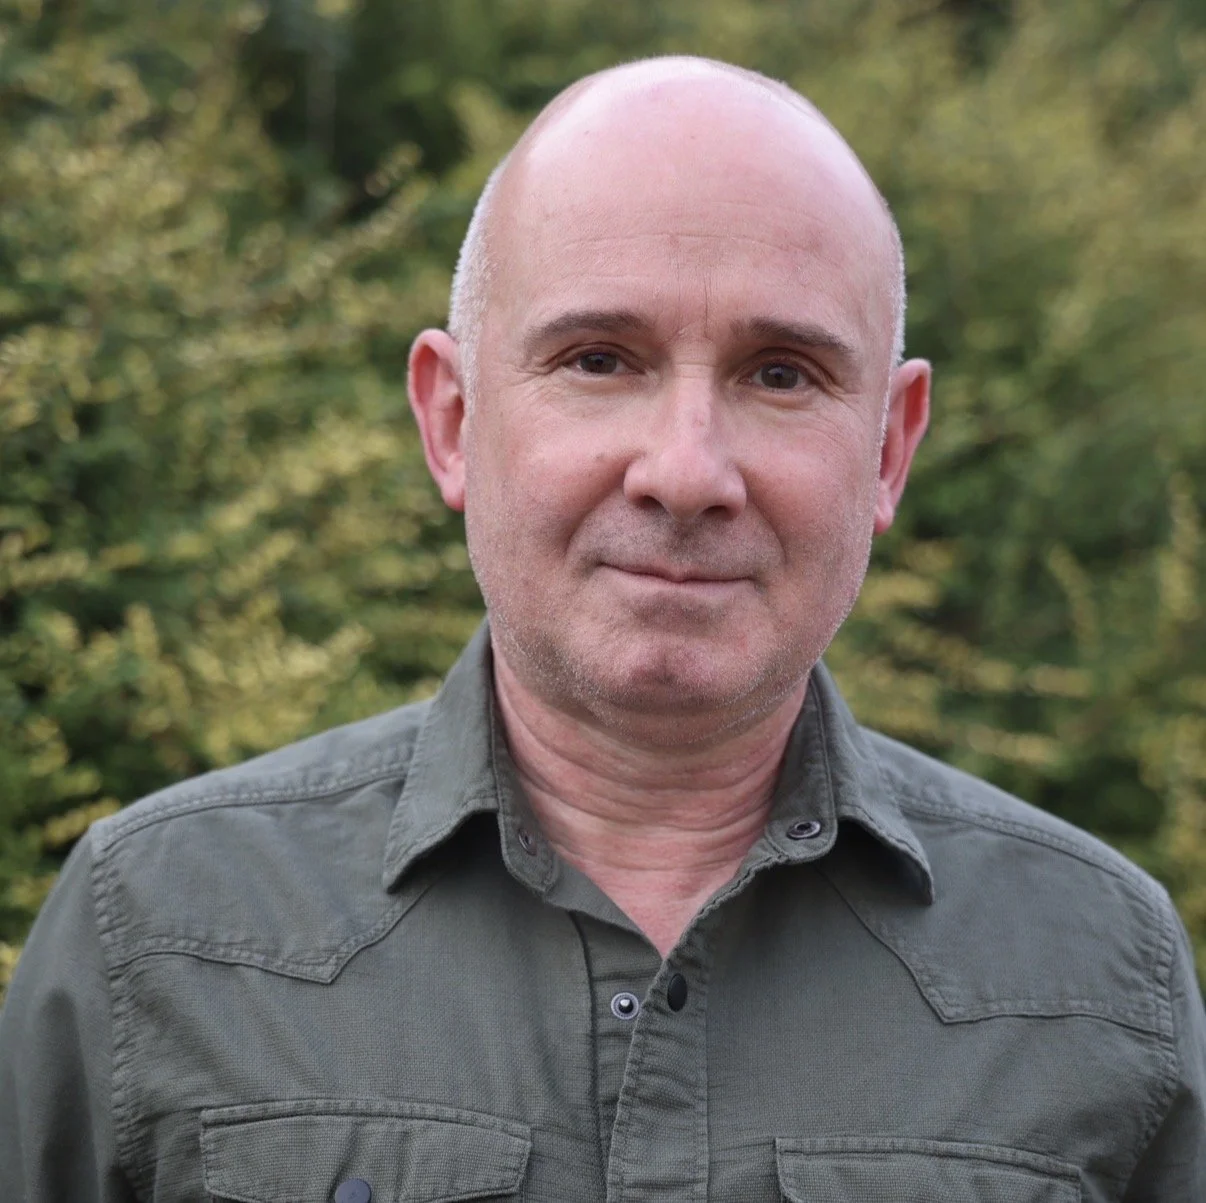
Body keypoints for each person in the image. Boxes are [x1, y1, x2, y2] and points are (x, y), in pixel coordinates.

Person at [1, 55, 1203, 1203]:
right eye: (598, 360)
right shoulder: (156, 933)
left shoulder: (1100, 977)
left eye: (782, 374)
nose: (685, 473)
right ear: (452, 420)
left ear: (889, 449)